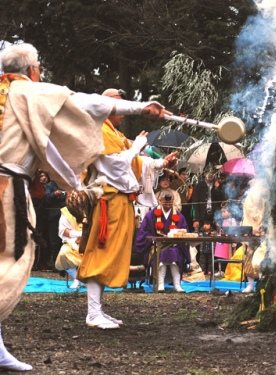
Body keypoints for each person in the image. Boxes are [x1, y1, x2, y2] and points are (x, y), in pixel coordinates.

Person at [0, 42, 166, 371]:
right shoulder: (25, 92)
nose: (41, 74)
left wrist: (71, 183)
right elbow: (81, 102)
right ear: (32, 70)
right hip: (6, 190)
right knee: (10, 263)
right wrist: (140, 107)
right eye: (39, 70)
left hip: (11, 183)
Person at [76, 88, 176, 329]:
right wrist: (138, 145)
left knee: (110, 255)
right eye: (119, 107)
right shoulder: (100, 129)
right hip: (108, 201)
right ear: (107, 107)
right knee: (101, 253)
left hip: (120, 201)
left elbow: (136, 162)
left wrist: (161, 162)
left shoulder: (115, 133)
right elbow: (116, 165)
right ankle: (93, 312)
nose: (122, 112)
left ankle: (98, 310)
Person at [133, 191, 190, 292]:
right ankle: (160, 284)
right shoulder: (151, 215)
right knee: (162, 253)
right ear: (159, 201)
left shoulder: (179, 216)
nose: (168, 205)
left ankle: (177, 285)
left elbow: (184, 231)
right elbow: (144, 232)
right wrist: (154, 240)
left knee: (174, 252)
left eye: (170, 203)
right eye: (165, 203)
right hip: (155, 246)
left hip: (174, 246)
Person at [39, 170, 66, 264]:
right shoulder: (50, 185)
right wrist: (53, 194)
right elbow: (45, 200)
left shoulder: (66, 184)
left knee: (65, 239)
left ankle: (65, 262)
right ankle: (56, 262)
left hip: (66, 216)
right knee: (54, 241)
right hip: (53, 216)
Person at [55, 207, 83, 289]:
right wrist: (79, 234)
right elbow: (63, 231)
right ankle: (77, 278)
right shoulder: (66, 211)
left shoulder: (93, 207)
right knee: (63, 253)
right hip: (72, 242)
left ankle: (90, 279)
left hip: (91, 243)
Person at [214, 206, 239, 277]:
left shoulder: (232, 220)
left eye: (225, 211)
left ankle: (227, 271)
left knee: (228, 256)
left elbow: (235, 231)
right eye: (222, 212)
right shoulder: (223, 221)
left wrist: (235, 241)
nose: (223, 214)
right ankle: (220, 270)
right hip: (222, 242)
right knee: (220, 256)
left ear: (230, 212)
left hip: (228, 241)